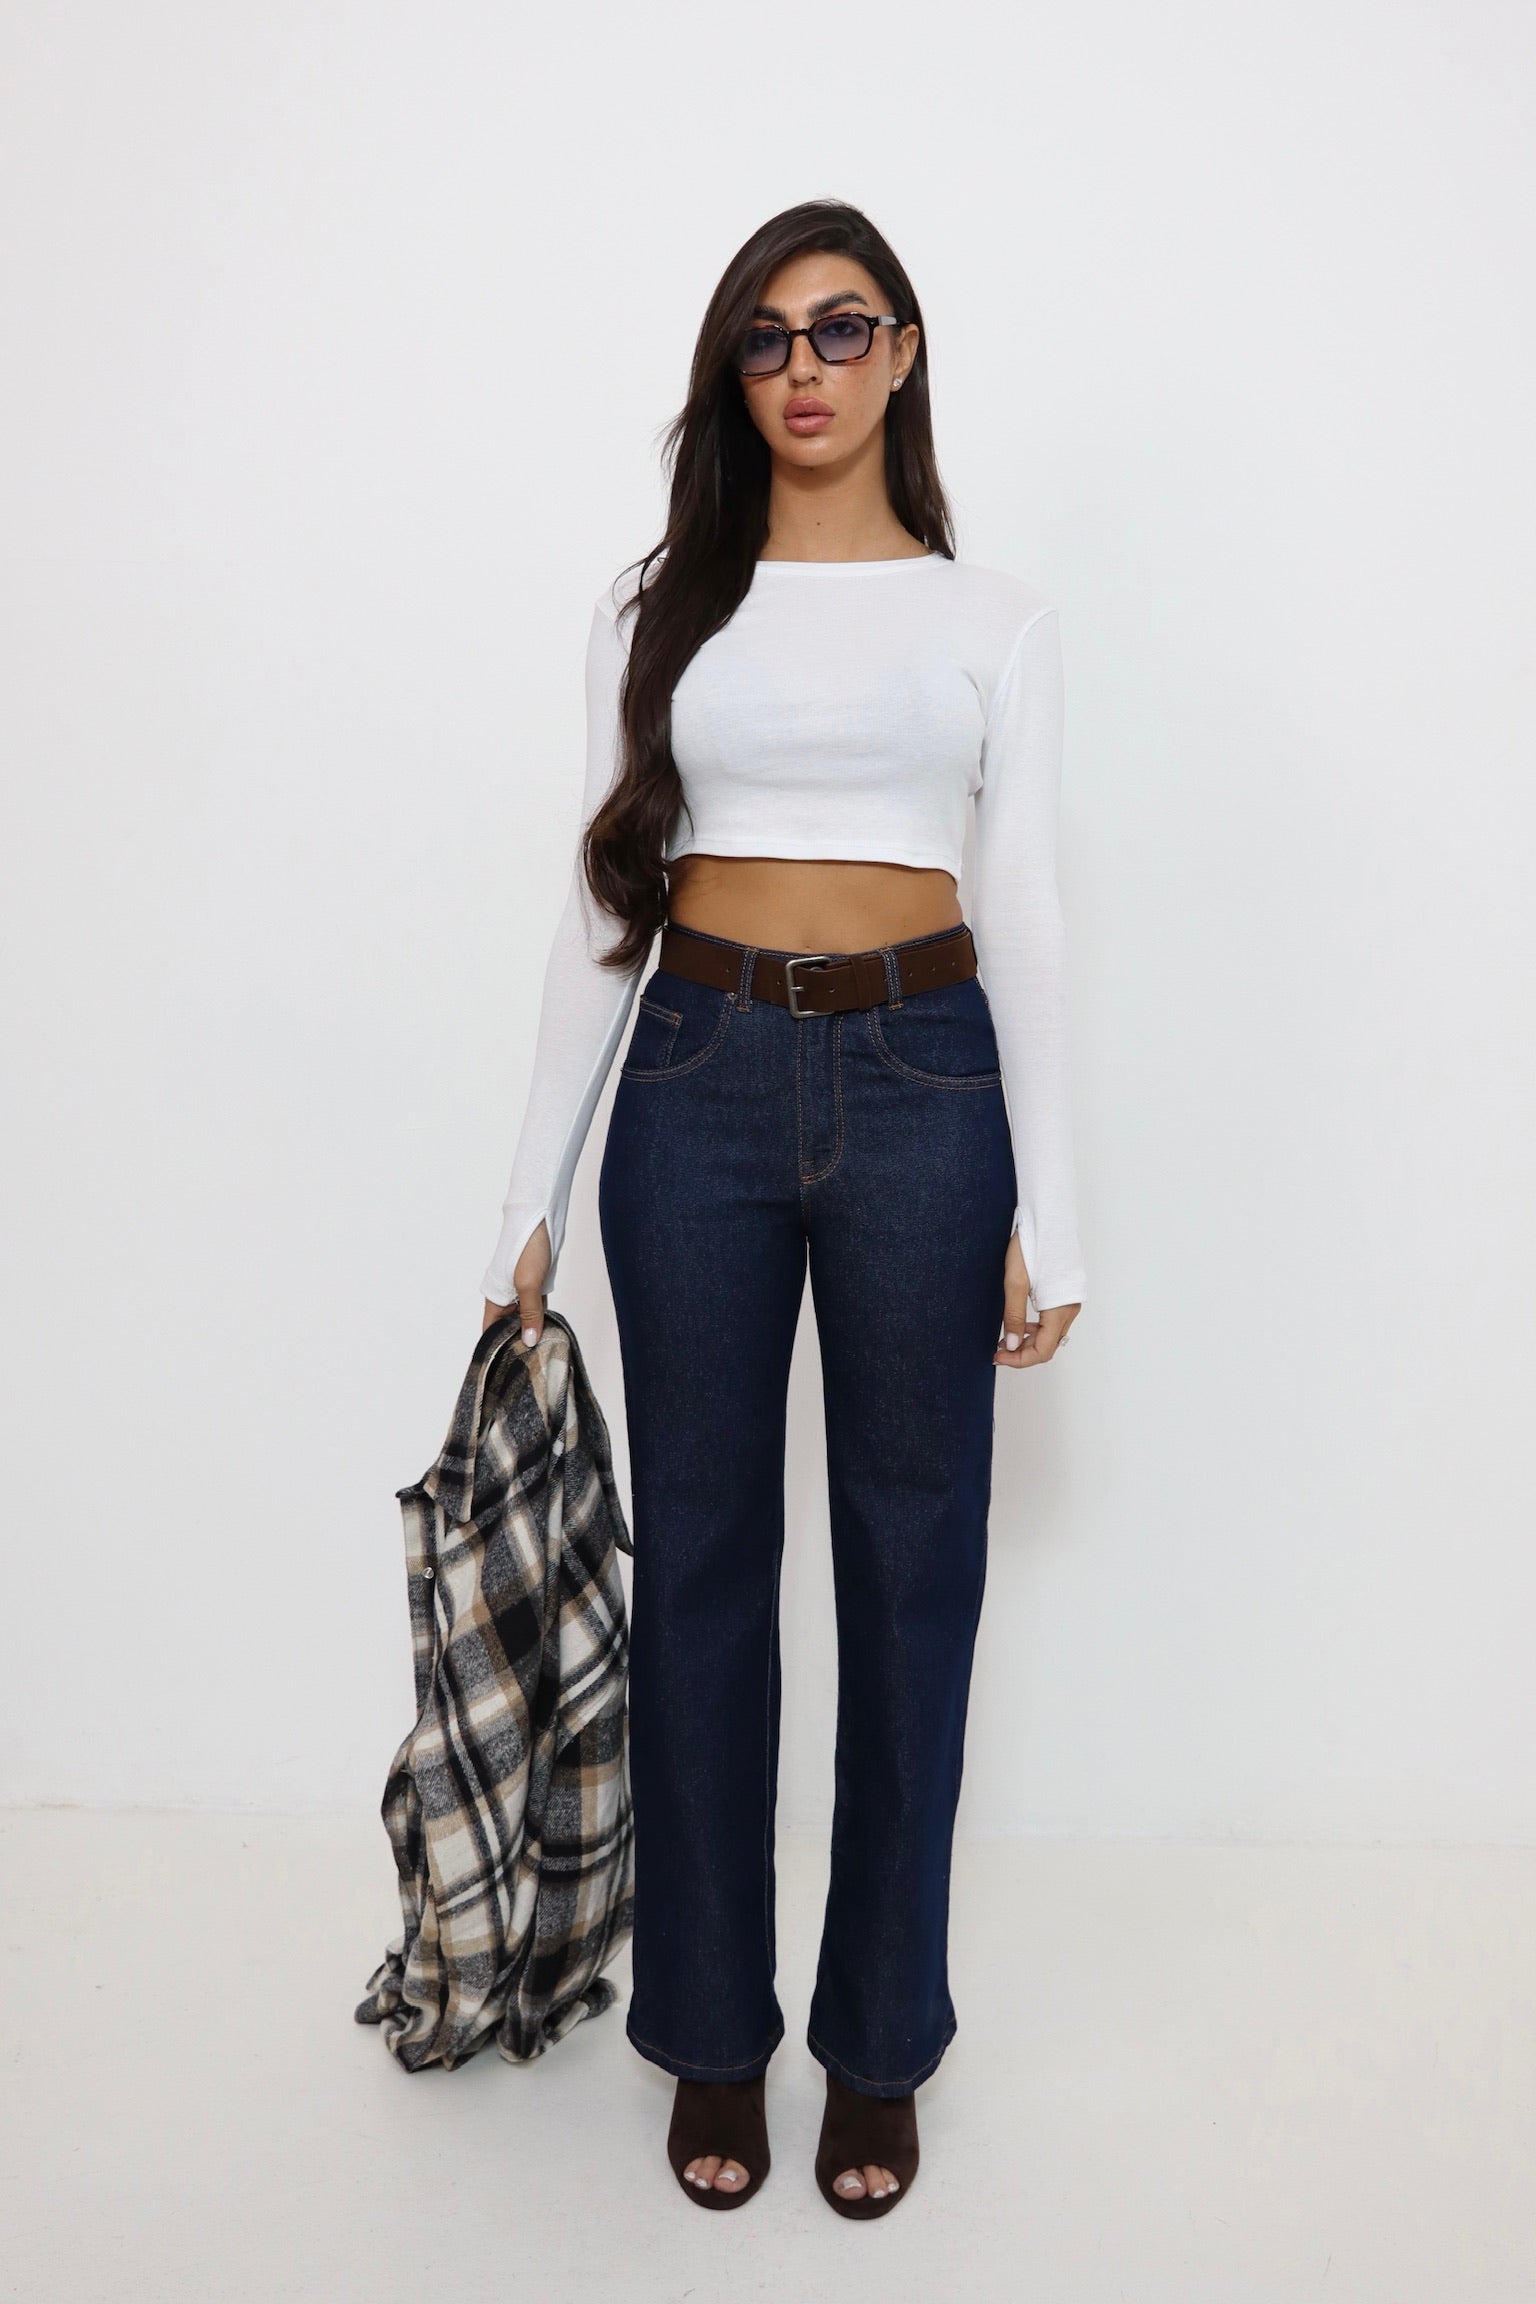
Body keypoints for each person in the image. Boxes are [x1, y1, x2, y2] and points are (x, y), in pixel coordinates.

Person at [478, 198, 1086, 2219]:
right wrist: (526, 1196)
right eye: (764, 336)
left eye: (841, 327)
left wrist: (1057, 1203)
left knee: (914, 1575)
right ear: (731, 373)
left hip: (927, 1084)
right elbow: (600, 904)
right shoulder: (661, 602)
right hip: (698, 1076)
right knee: (705, 1572)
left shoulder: (995, 617)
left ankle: (880, 2044)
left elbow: (1031, 910)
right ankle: (713, 2033)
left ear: (902, 352)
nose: (804, 367)